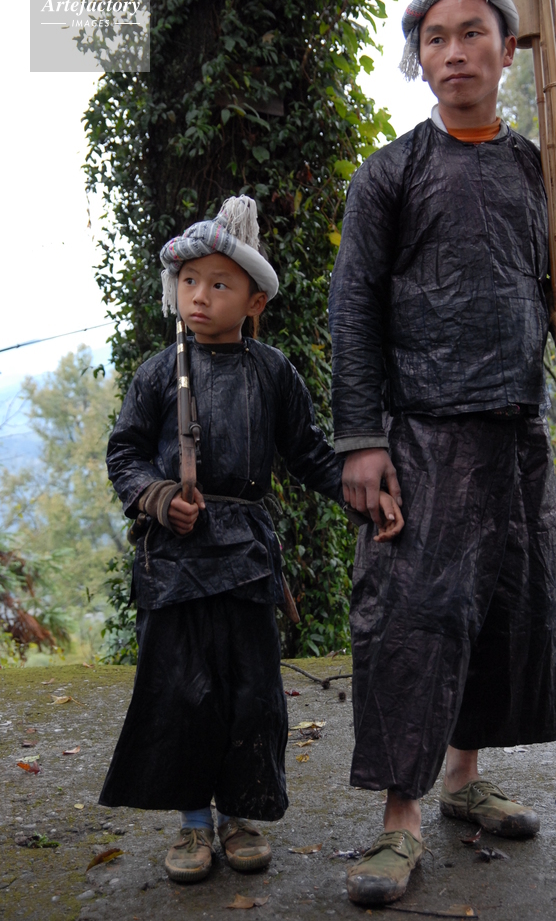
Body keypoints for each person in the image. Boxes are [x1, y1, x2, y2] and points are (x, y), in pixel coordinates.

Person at [328, 0, 556, 906]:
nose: (453, 51)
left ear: (507, 49)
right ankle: (399, 819)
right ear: (418, 58)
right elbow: (352, 308)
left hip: (517, 433)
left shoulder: (542, 172)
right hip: (420, 436)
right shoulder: (390, 174)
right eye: (434, 38)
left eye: (471, 33)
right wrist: (361, 438)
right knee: (411, 622)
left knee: (506, 614)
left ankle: (463, 778)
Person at [98, 195, 403, 885]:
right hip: (173, 561)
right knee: (182, 691)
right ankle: (193, 822)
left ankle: (239, 815)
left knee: (251, 692)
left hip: (246, 560)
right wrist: (158, 497)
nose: (199, 296)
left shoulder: (272, 373)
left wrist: (367, 498)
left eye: (219, 284)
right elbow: (124, 455)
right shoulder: (157, 373)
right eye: (188, 281)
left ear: (254, 300)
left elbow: (312, 455)